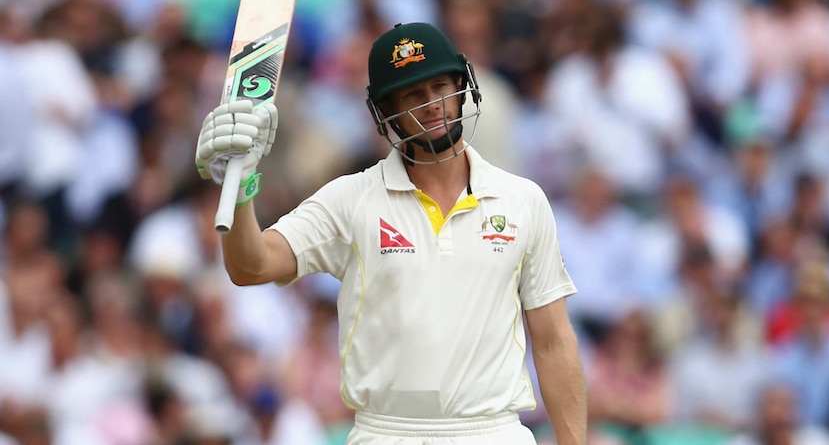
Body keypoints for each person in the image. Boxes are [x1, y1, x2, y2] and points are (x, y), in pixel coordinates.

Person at [195, 22, 587, 444]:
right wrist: (238, 189)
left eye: (440, 86)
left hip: (492, 431)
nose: (433, 104)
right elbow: (250, 266)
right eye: (413, 95)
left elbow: (553, 342)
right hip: (387, 433)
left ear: (463, 85)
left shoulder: (523, 201)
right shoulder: (351, 199)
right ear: (386, 111)